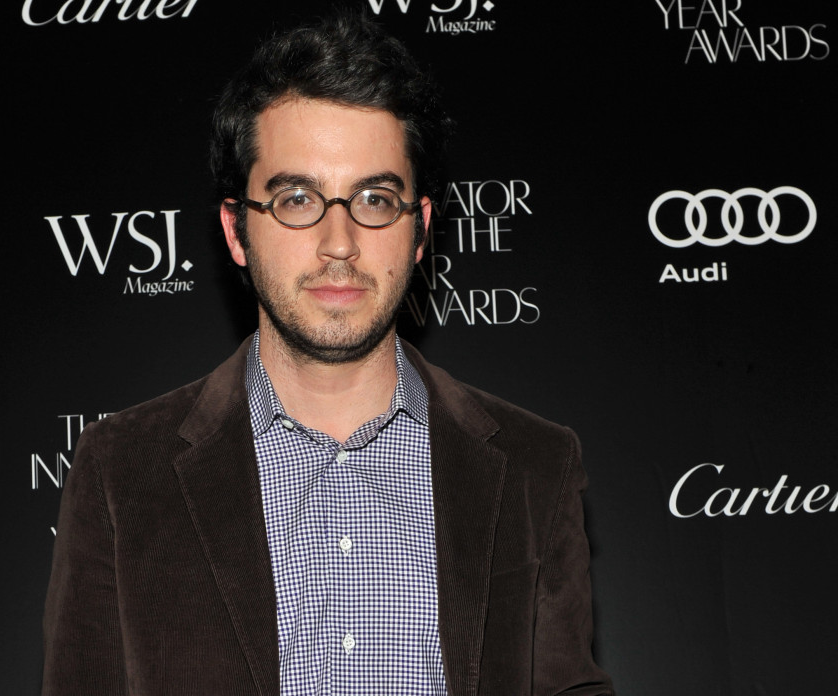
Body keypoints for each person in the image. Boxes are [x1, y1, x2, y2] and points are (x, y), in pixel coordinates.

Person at [42, 10, 614, 696]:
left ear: (420, 228)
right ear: (235, 229)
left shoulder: (535, 466)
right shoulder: (120, 471)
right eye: (297, 199)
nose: (338, 241)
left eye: (375, 198)